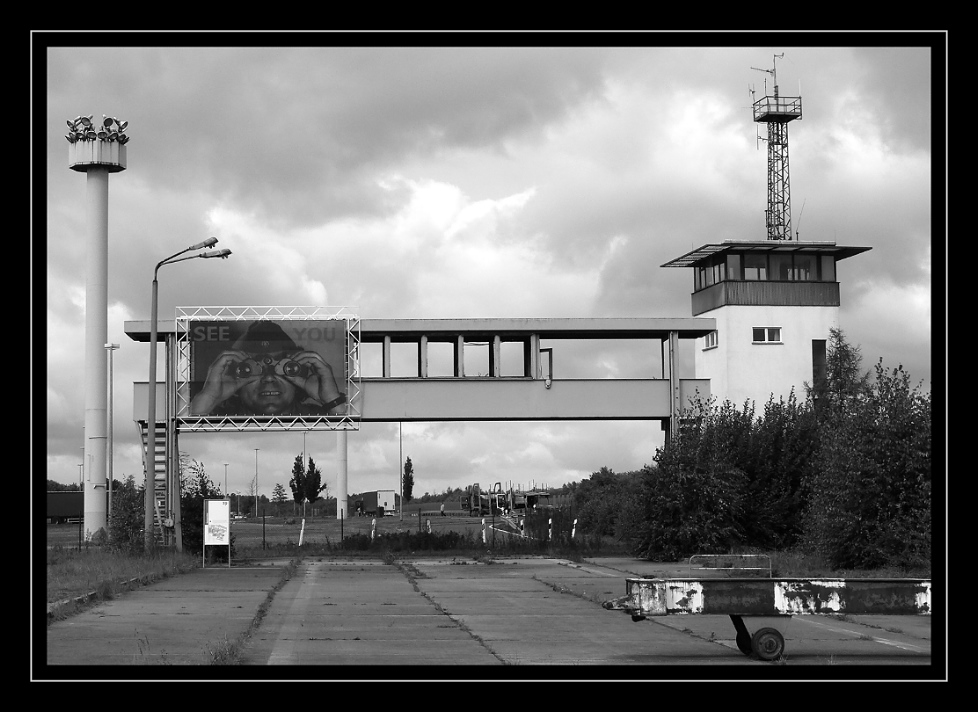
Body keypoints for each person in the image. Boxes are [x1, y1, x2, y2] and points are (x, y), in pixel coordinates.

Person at [191, 320, 346, 416]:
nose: (269, 378)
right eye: (251, 369)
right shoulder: (217, 419)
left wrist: (331, 400)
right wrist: (210, 397)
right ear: (232, 376)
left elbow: (349, 436)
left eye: (284, 368)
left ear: (301, 372)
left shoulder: (319, 416)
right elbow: (187, 435)